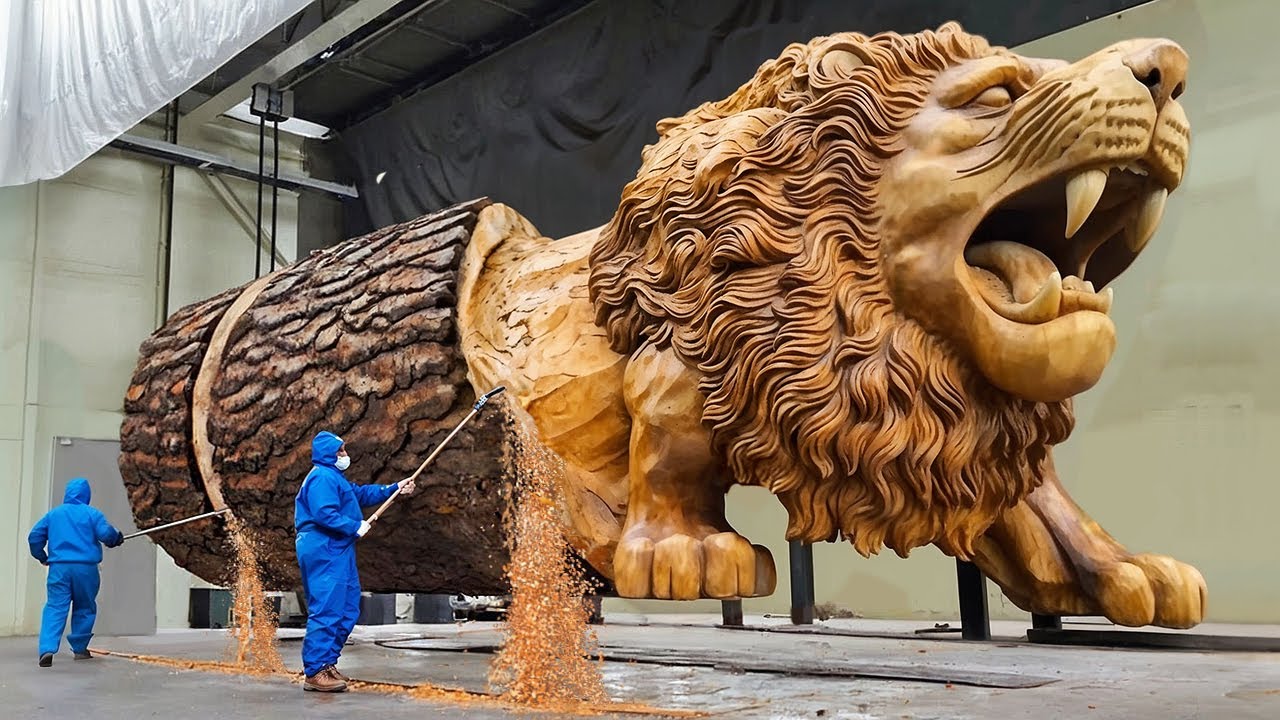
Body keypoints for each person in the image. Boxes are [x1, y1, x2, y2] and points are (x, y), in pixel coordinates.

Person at [294, 431, 415, 692]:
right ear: (328, 453)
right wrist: (353, 526)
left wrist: (394, 488)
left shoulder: (335, 477)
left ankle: (327, 663)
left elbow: (360, 494)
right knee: (327, 607)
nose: (344, 455)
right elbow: (324, 513)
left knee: (347, 607)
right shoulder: (321, 477)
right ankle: (315, 672)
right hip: (323, 546)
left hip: (338, 547)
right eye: (340, 451)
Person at [27, 477, 125, 667]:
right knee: (85, 607)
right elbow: (106, 534)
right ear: (86, 495)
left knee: (55, 607)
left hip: (59, 569)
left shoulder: (53, 515)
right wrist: (116, 538)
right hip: (86, 570)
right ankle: (80, 648)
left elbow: (34, 537)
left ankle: (47, 649)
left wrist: (42, 556)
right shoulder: (92, 514)